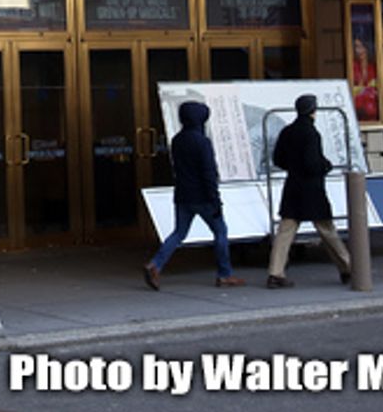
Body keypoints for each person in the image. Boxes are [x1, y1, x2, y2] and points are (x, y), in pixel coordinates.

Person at [143, 101, 244, 290]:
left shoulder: (177, 140)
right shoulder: (202, 142)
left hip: (183, 194)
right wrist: (215, 200)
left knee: (178, 233)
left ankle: (156, 264)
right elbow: (208, 173)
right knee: (220, 232)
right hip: (203, 196)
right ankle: (224, 274)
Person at [266, 94, 352, 289]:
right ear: (313, 110)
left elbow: (278, 159)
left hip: (293, 185)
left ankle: (275, 272)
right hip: (312, 188)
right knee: (327, 229)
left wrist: (293, 167)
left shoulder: (287, 131)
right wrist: (325, 166)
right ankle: (348, 267)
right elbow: (312, 163)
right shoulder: (311, 133)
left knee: (285, 231)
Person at [350, 35, 380, 122]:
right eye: (356, 47)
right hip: (358, 110)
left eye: (361, 46)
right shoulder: (352, 67)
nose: (359, 50)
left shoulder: (374, 67)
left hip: (374, 112)